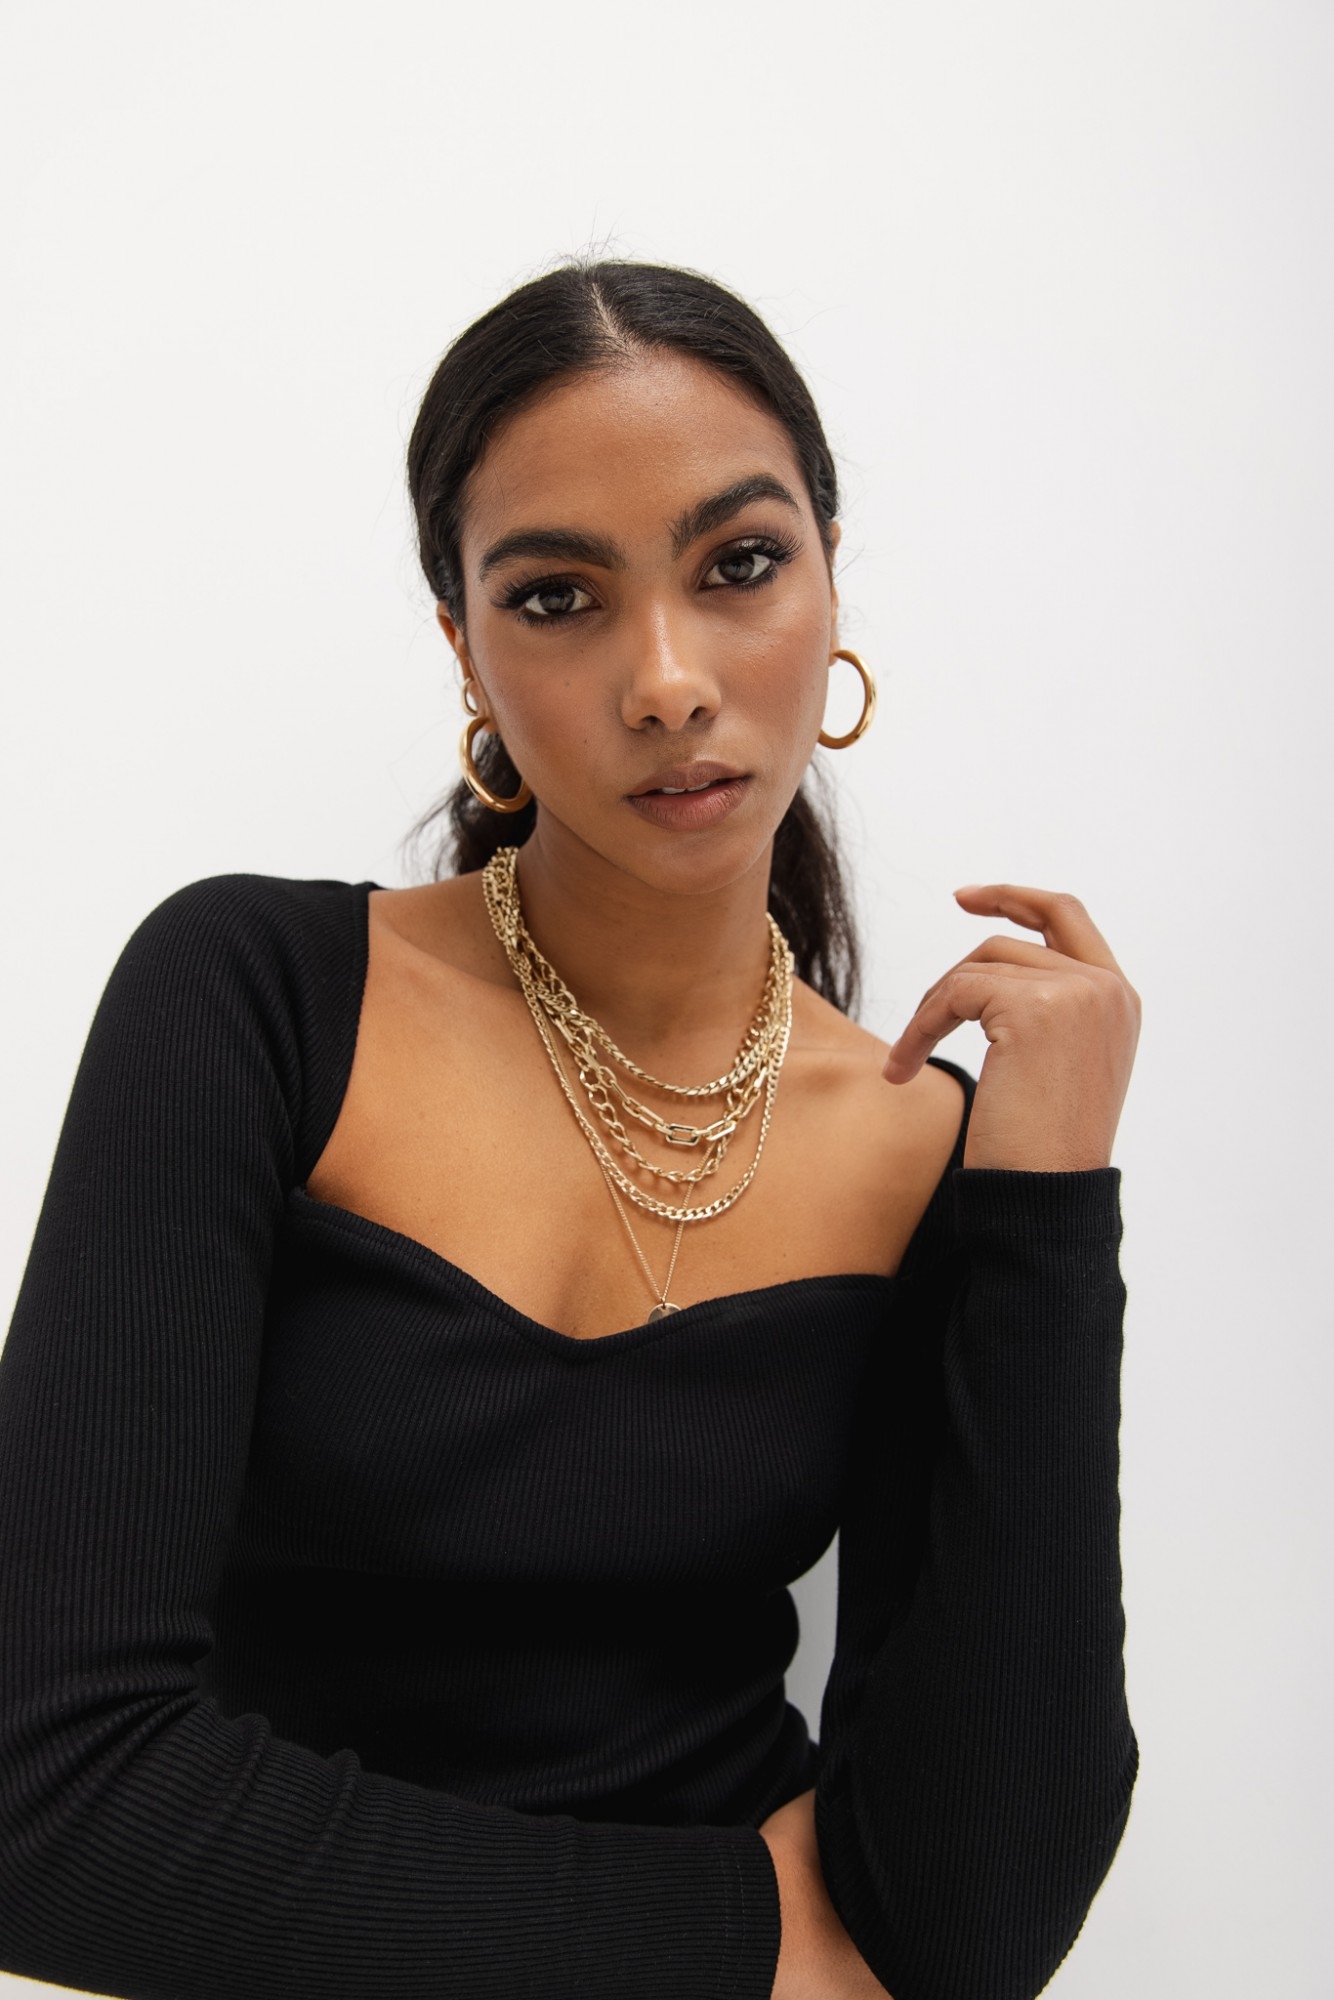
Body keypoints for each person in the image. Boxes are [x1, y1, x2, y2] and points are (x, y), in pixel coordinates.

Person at [0, 259, 1141, 2000]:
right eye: (556, 597)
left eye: (738, 565)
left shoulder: (924, 1150)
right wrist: (736, 1937)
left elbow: (974, 1916)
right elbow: (44, 1807)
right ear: (464, 649)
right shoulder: (253, 998)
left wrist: (1048, 1201)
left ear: (831, 581)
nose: (667, 681)